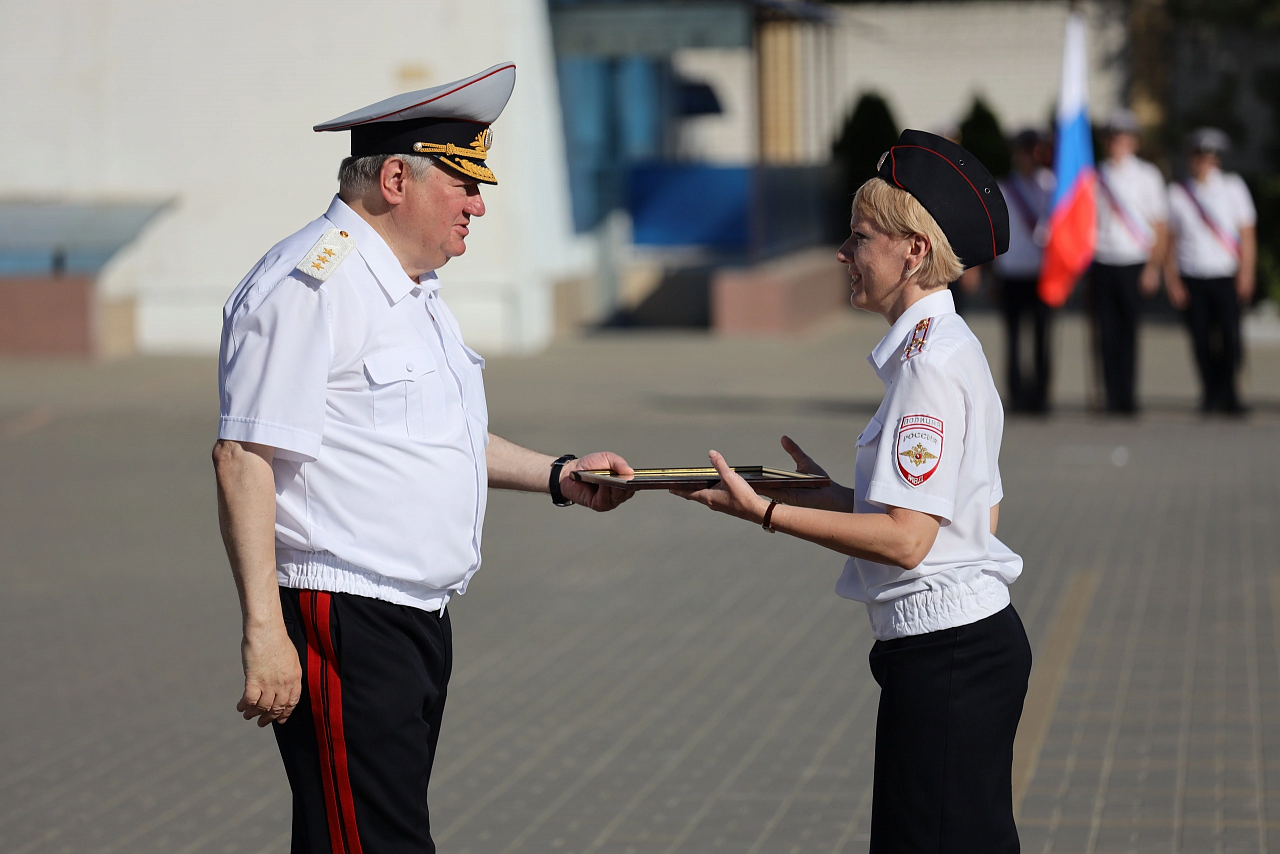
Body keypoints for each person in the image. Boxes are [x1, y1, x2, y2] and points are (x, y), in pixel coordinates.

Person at [211, 63, 635, 854]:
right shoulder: (311, 284)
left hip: (414, 619)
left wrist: (558, 474)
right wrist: (265, 632)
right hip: (343, 615)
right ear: (397, 179)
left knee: (358, 834)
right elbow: (243, 455)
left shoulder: (414, 287)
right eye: (464, 183)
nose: (479, 203)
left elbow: (438, 442)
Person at [673, 130, 1031, 853]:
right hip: (959, 650)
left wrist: (767, 513)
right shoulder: (948, 347)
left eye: (859, 236)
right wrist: (820, 494)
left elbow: (908, 540)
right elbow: (975, 513)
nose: (843, 252)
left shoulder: (927, 367)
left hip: (947, 658)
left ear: (914, 251)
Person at [1164, 127, 1257, 414]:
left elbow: (1247, 234)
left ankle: (1229, 394)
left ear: (1217, 158)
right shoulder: (1177, 193)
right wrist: (1172, 280)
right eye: (1198, 155)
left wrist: (1247, 272)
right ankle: (1209, 393)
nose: (1203, 161)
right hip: (1192, 275)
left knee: (1230, 339)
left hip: (1225, 274)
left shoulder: (1232, 187)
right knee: (1200, 340)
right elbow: (1170, 241)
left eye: (1209, 155)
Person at [1091, 108, 1169, 413]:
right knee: (1106, 333)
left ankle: (1128, 397)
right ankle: (1111, 396)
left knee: (1129, 332)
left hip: (1135, 262)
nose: (1117, 143)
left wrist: (1153, 268)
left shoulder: (1148, 175)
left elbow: (1160, 226)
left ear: (1134, 141)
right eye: (1112, 137)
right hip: (1103, 260)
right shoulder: (1095, 175)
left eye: (1123, 137)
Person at [996, 129, 1056, 412]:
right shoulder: (1004, 187)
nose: (1031, 157)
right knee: (1014, 337)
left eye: (1036, 150)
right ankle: (1017, 394)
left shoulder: (1053, 185)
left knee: (1043, 336)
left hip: (1044, 273)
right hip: (1012, 272)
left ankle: (1041, 394)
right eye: (1025, 151)